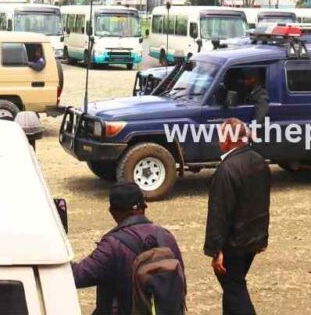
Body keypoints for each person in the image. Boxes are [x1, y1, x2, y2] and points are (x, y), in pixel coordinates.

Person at [73, 181, 184, 314]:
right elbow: (180, 283)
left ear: (112, 212)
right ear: (144, 207)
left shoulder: (112, 245)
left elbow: (78, 276)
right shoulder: (166, 237)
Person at [204, 118, 270, 315]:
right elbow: (263, 203)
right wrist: (262, 238)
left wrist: (216, 250)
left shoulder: (227, 170)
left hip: (234, 244)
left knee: (234, 289)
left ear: (228, 140)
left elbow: (219, 213)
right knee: (233, 289)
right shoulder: (259, 161)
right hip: (253, 240)